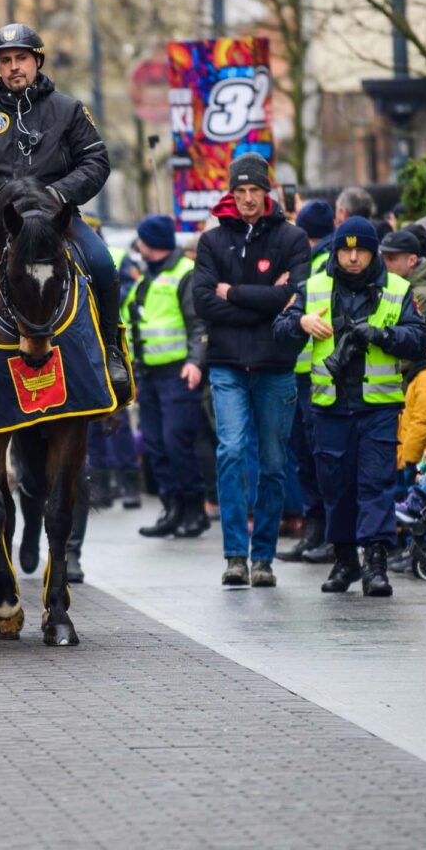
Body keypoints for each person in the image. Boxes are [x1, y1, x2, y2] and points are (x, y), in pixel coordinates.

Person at [0, 22, 128, 402]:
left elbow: (95, 162)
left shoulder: (69, 109)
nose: (13, 67)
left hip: (58, 223)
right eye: (5, 61)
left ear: (37, 60)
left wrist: (60, 193)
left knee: (103, 265)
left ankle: (113, 352)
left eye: (20, 58)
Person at [276, 217, 426, 596]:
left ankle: (375, 563)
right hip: (329, 407)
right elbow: (280, 330)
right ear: (336, 251)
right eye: (346, 250)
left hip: (376, 407)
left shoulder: (397, 288)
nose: (353, 258)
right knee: (336, 488)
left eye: (360, 249)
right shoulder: (313, 287)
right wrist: (302, 324)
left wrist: (381, 335)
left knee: (376, 484)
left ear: (373, 251)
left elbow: (419, 338)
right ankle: (345, 560)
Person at [191, 155, 311, 588]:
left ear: (267, 193)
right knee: (232, 451)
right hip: (226, 365)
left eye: (253, 192)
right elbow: (203, 300)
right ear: (230, 193)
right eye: (239, 192)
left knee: (275, 463)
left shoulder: (292, 238)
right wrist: (265, 300)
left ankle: (263, 557)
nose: (246, 200)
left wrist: (235, 294)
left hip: (275, 363)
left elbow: (295, 296)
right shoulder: (212, 241)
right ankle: (234, 556)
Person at [124, 214, 209, 540]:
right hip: (149, 376)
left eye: (141, 240)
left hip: (178, 374)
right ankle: (171, 509)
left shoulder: (184, 273)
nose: (138, 246)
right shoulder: (146, 277)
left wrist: (195, 361)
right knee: (156, 445)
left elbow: (198, 323)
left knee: (177, 443)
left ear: (151, 242)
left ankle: (193, 511)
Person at [277, 199, 335, 564]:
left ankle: (327, 534)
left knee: (317, 457)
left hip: (317, 375)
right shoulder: (309, 260)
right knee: (305, 455)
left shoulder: (322, 264)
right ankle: (316, 532)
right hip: (300, 373)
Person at [381, 229, 426, 310]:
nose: (385, 264)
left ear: (412, 260)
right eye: (382, 258)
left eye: (391, 259)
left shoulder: (422, 295)